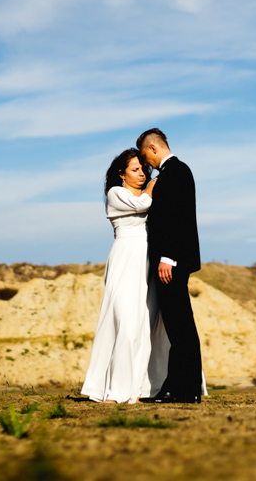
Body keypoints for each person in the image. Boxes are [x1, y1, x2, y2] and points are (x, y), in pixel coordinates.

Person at [81, 148, 169, 404]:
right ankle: (114, 390)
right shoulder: (116, 193)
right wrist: (153, 185)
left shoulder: (147, 193)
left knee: (145, 325)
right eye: (135, 169)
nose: (141, 174)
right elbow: (142, 204)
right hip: (125, 258)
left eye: (143, 169)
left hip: (148, 259)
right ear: (122, 174)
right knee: (125, 324)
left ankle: (139, 390)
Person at [137, 128, 205, 404]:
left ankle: (183, 388)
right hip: (171, 260)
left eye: (145, 156)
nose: (146, 163)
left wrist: (168, 257)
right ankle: (182, 388)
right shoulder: (172, 172)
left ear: (153, 148)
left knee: (181, 326)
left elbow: (178, 218)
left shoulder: (177, 171)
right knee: (178, 326)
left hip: (171, 262)